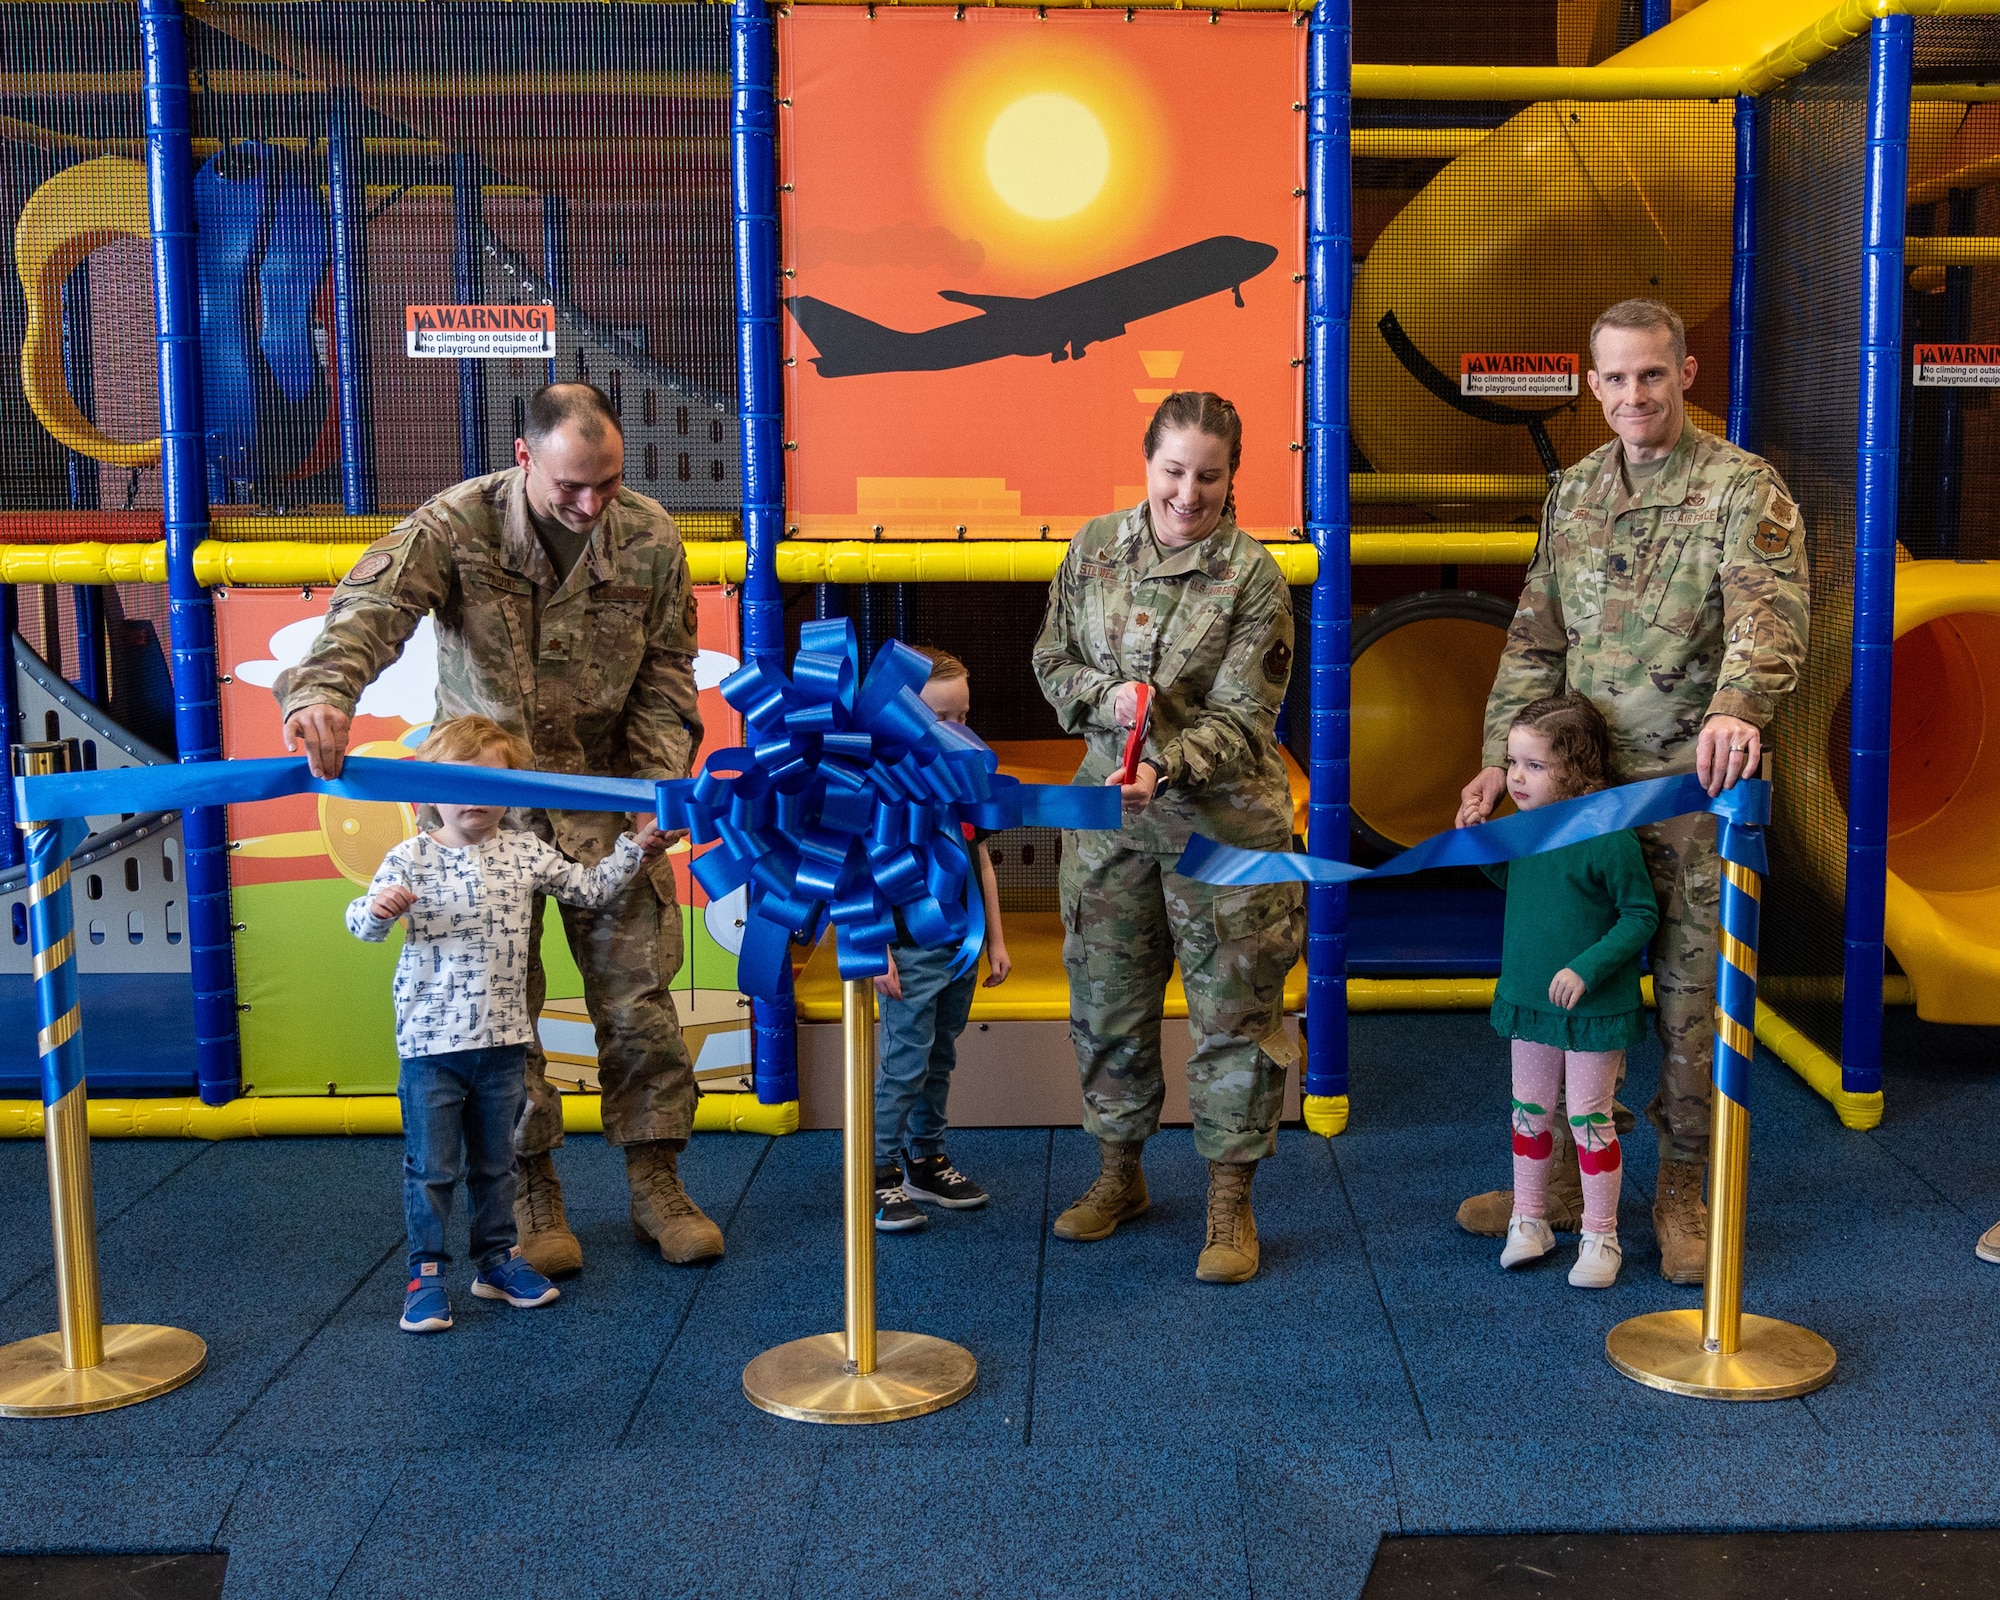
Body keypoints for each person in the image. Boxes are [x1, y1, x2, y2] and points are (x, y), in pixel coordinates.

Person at [276, 381, 721, 1277]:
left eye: (608, 481)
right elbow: (370, 613)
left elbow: (670, 669)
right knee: (497, 1010)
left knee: (639, 997)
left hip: (605, 796)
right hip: (483, 805)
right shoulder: (456, 524)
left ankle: (656, 1184)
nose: (592, 505)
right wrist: (323, 694)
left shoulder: (650, 535)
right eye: (570, 487)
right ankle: (528, 1186)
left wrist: (657, 782)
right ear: (525, 458)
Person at [1456, 299, 1810, 1283]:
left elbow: (1768, 618)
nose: (1629, 395)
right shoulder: (1570, 494)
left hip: (1695, 804)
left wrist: (1737, 703)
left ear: (1684, 373)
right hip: (1577, 814)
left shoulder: (1742, 490)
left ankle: (1681, 1195)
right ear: (1590, 382)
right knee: (1567, 997)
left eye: (1647, 374)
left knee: (1690, 1009)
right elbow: (1534, 641)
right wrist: (1502, 759)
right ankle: (1560, 1184)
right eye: (1610, 378)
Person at [1032, 390, 1304, 1286]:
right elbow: (1050, 659)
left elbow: (1243, 716)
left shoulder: (1253, 577)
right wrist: (1100, 700)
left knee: (1234, 1013)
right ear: (1147, 462)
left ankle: (1231, 1200)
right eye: (1173, 471)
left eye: (1210, 476)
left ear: (1234, 477)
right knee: (1107, 1000)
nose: (1189, 493)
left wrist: (1165, 766)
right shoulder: (1092, 548)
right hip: (1109, 820)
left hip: (1220, 822)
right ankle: (1120, 1174)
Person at [346, 717, 667, 1333]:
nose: (479, 794)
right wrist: (376, 909)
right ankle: (425, 1273)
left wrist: (638, 847)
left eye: (495, 780)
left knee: (499, 1163)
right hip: (432, 1046)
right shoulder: (409, 858)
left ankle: (496, 1261)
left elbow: (590, 888)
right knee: (433, 1167)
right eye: (461, 781)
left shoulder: (523, 851)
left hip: (502, 1041)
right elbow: (361, 926)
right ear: (427, 794)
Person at [1466, 696, 1658, 1290]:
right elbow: (1519, 880)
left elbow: (1640, 914)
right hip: (1529, 1000)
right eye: (1512, 763)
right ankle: (1531, 1219)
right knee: (1529, 1113)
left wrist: (1587, 968)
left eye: (1533, 767)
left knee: (1587, 1117)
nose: (1515, 779)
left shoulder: (1608, 837)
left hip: (1592, 1007)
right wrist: (1480, 846)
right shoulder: (1526, 829)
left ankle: (1601, 1233)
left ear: (1574, 771)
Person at [869, 647, 1013, 1234]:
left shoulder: (963, 782)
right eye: (941, 719)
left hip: (959, 948)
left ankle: (924, 1161)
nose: (958, 730)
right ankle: (876, 1173)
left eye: (963, 716)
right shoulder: (884, 789)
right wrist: (874, 949)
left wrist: (995, 942)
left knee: (940, 1057)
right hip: (907, 950)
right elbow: (862, 873)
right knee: (903, 1065)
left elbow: (982, 864)